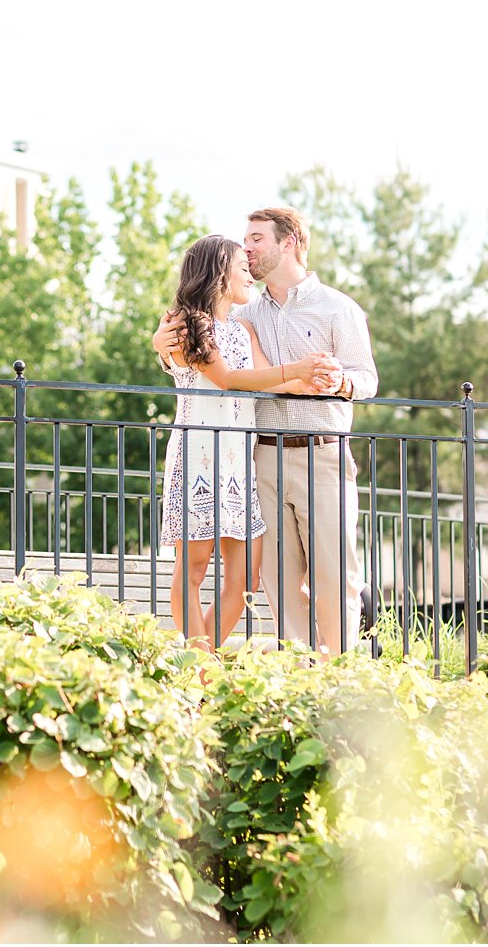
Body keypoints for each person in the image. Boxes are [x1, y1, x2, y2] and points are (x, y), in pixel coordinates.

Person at [155, 208, 378, 659]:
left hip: (304, 458)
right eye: (243, 249)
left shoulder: (331, 309)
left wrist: (328, 382)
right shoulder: (229, 315)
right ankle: (232, 670)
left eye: (256, 239)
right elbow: (223, 374)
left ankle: (339, 677)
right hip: (249, 457)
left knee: (321, 577)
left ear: (289, 241)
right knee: (272, 581)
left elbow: (356, 379)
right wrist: (162, 349)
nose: (249, 253)